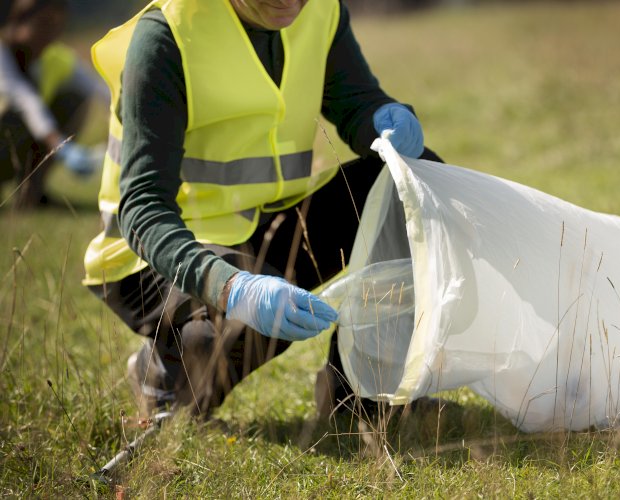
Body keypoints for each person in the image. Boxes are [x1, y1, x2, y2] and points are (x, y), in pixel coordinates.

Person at [83, 0, 441, 420]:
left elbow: (355, 102)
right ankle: (161, 375)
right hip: (152, 256)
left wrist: (379, 117)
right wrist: (231, 288)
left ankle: (360, 396)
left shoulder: (321, 11)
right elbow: (143, 210)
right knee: (228, 332)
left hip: (262, 226)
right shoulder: (166, 37)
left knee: (414, 185)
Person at [0, 0, 108, 208]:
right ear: (19, 22)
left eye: (56, 27)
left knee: (73, 98)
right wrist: (61, 146)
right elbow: (26, 101)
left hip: (22, 142)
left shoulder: (52, 57)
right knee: (14, 116)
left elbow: (98, 89)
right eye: (43, 24)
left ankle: (31, 195)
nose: (49, 35)